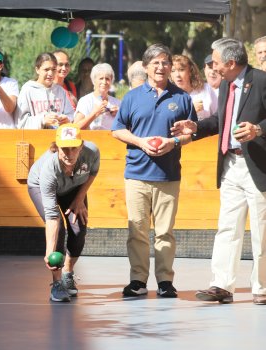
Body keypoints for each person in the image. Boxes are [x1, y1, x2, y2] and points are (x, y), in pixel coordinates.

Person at [171, 38, 266, 305]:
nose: (211, 65)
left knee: (262, 230)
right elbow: (220, 122)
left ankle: (262, 287)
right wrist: (196, 127)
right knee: (227, 228)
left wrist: (258, 129)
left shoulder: (261, 80)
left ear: (231, 62)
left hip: (259, 167)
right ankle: (221, 285)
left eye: (215, 60)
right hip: (230, 165)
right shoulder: (225, 84)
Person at [111, 43, 197, 298]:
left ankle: (164, 281)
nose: (161, 67)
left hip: (168, 176)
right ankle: (137, 280)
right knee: (136, 230)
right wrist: (140, 142)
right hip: (137, 174)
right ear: (146, 66)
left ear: (171, 66)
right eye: (156, 63)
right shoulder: (132, 96)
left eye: (165, 62)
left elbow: (191, 133)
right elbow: (117, 129)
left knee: (165, 232)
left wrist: (174, 142)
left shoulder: (182, 98)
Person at [27, 123, 100, 302]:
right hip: (39, 186)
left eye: (74, 148)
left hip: (74, 188)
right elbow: (52, 218)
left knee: (78, 229)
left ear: (81, 146)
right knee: (58, 231)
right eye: (64, 149)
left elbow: (93, 172)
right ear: (57, 146)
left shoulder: (92, 152)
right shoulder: (49, 169)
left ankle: (68, 272)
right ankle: (57, 284)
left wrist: (79, 198)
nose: (69, 154)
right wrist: (49, 251)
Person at [15, 52, 74, 129]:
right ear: (37, 70)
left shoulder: (60, 91)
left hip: (57, 139)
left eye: (53, 69)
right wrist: (42, 120)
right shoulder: (28, 90)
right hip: (35, 139)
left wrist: (67, 119)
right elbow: (21, 122)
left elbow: (71, 115)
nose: (50, 73)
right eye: (46, 69)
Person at [74, 63, 121, 130]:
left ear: (111, 81)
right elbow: (76, 127)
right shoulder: (85, 101)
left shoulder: (117, 103)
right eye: (101, 78)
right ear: (94, 81)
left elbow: (128, 127)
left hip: (111, 140)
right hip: (90, 139)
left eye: (107, 79)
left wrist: (120, 115)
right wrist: (94, 114)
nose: (104, 82)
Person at [171, 54, 217, 120]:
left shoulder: (207, 89)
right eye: (173, 71)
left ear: (190, 71)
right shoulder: (169, 95)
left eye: (181, 70)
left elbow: (218, 117)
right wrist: (191, 110)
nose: (177, 75)